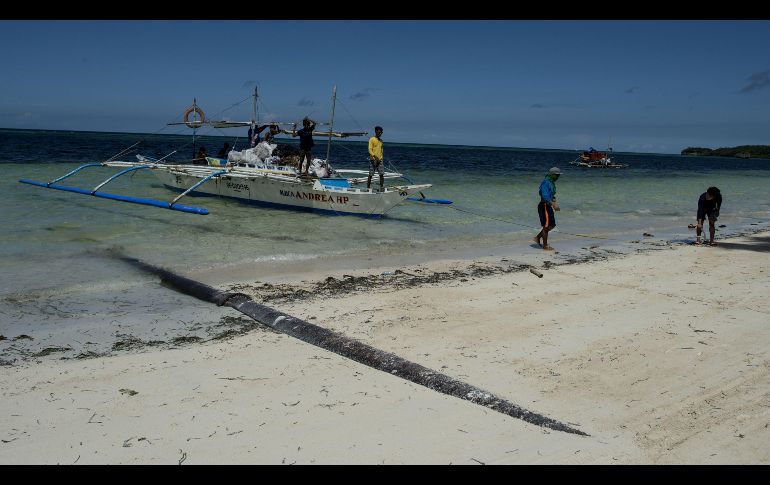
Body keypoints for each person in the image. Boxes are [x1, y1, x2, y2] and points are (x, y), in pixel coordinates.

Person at [534, 167, 561, 251]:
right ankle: (545, 246)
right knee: (547, 226)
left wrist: (554, 202)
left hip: (548, 205)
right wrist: (553, 204)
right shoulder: (546, 182)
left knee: (552, 225)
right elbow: (544, 195)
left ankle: (537, 237)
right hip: (544, 205)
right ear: (552, 175)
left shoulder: (551, 183)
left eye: (559, 175)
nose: (558, 177)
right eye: (557, 175)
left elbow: (551, 195)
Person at [367, 126, 385, 192]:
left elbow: (381, 150)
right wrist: (374, 156)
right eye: (379, 132)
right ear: (376, 131)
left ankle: (381, 187)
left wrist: (380, 158)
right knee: (370, 175)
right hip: (373, 160)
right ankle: (368, 188)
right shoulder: (372, 139)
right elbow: (369, 149)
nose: (380, 133)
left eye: (381, 132)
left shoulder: (381, 141)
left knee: (381, 174)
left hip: (380, 160)